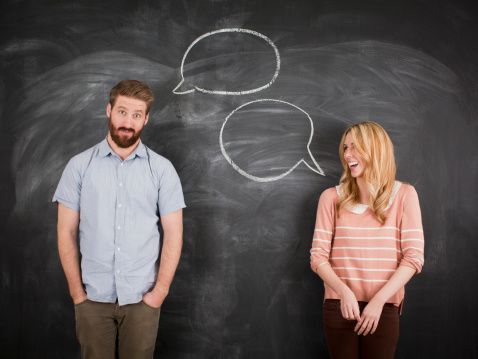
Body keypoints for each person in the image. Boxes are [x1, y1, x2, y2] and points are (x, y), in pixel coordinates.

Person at [53, 80, 186, 359]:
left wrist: (159, 293)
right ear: (108, 110)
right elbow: (66, 232)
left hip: (142, 299)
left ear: (146, 119)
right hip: (92, 298)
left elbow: (173, 233)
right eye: (122, 112)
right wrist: (78, 293)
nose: (128, 121)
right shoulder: (79, 166)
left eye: (137, 115)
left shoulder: (162, 170)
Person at [310, 121, 424, 359]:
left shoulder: (405, 195)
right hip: (339, 305)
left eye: (355, 147)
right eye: (345, 148)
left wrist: (379, 301)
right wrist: (343, 292)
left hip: (383, 308)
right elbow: (318, 257)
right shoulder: (330, 198)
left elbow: (413, 258)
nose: (347, 154)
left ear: (376, 150)